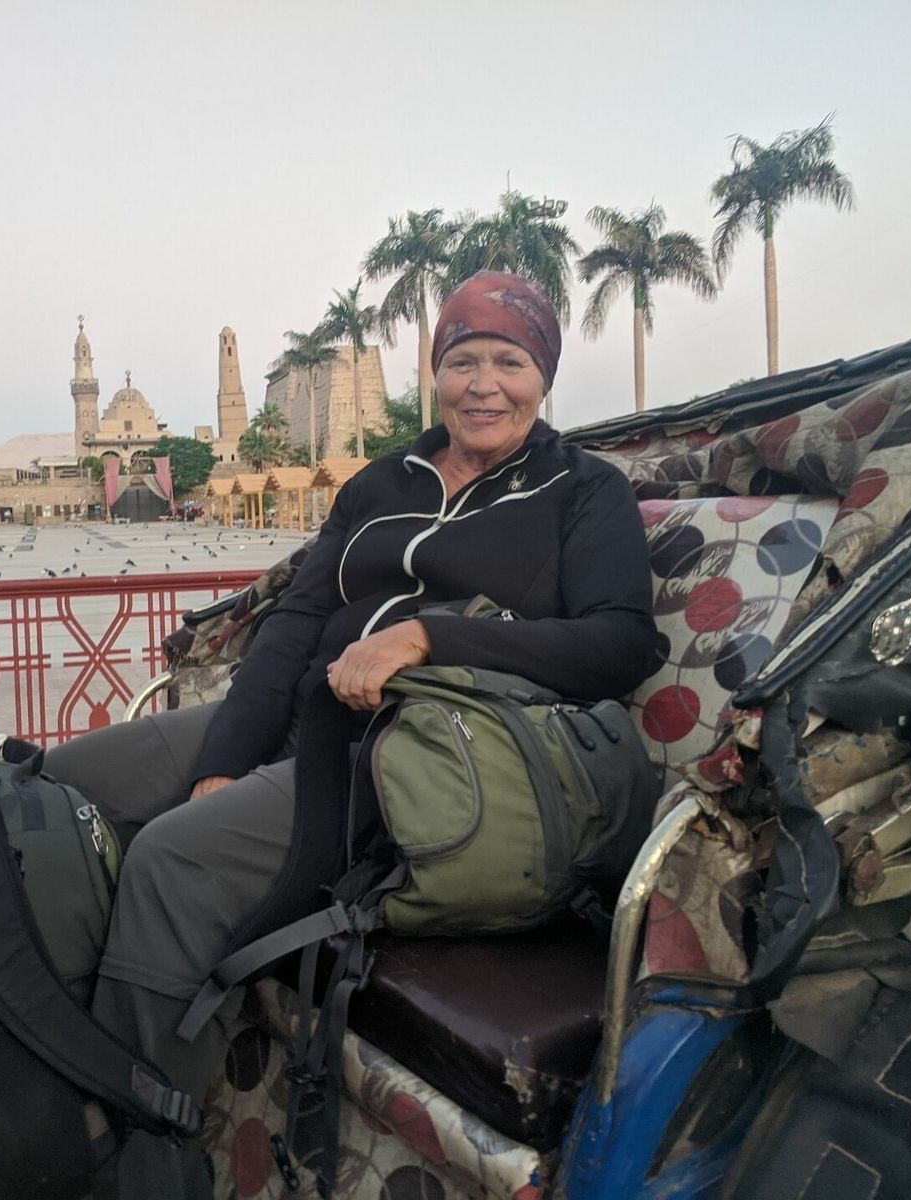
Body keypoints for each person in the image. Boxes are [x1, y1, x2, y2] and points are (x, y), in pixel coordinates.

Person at [44, 270, 657, 1197]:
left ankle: (135, 1156)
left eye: (510, 362)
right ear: (434, 374)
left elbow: (621, 645)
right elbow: (294, 626)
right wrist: (223, 761)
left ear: (544, 377)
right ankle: (35, 1054)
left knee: (174, 862)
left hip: (426, 764)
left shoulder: (582, 490)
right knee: (62, 788)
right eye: (463, 361)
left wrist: (428, 638)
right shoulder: (382, 484)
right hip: (308, 718)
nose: (484, 386)